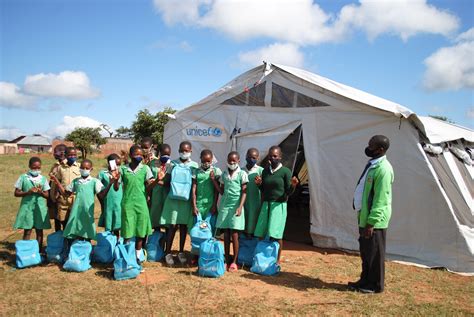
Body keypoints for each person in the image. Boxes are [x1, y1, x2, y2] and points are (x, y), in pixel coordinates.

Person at [348, 135, 394, 294]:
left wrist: (371, 222)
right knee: (366, 252)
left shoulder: (384, 169)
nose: (368, 148)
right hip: (364, 217)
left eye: (371, 146)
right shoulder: (373, 164)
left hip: (374, 221)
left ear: (380, 149)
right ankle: (365, 280)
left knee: (375, 254)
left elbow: (381, 199)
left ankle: (375, 285)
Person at [51, 159, 118, 241]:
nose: (84, 170)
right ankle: (75, 249)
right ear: (80, 168)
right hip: (77, 211)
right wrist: (57, 182)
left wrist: (110, 184)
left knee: (87, 231)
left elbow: (102, 195)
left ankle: (86, 249)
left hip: (88, 212)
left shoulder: (94, 181)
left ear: (91, 169)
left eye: (87, 168)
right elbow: (66, 193)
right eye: (83, 168)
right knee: (76, 230)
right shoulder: (76, 181)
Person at [254, 146, 299, 265]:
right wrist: (259, 185)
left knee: (276, 233)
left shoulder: (285, 172)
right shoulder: (265, 171)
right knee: (261, 231)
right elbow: (264, 190)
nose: (272, 158)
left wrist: (293, 185)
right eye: (270, 156)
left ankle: (277, 260)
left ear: (280, 157)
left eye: (275, 156)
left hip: (279, 205)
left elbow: (288, 192)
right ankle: (261, 257)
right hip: (266, 204)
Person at [160, 141, 198, 266]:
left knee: (183, 226)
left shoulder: (194, 165)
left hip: (186, 201)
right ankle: (168, 252)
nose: (184, 152)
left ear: (191, 151)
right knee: (172, 225)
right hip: (173, 200)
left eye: (186, 150)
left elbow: (194, 185)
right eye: (182, 150)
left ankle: (181, 252)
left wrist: (194, 203)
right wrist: (158, 179)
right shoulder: (173, 164)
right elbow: (167, 181)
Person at [211, 151, 247, 272]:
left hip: (236, 206)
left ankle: (234, 261)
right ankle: (226, 258)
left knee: (234, 234)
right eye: (230, 160)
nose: (232, 163)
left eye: (234, 161)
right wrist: (214, 181)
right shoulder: (224, 174)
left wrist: (240, 206)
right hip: (225, 206)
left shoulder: (242, 174)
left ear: (238, 161)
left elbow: (244, 192)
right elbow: (221, 191)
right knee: (225, 233)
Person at [120, 145, 154, 261]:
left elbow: (149, 188)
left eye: (141, 155)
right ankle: (126, 258)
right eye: (136, 154)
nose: (139, 156)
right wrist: (114, 181)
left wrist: (158, 180)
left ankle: (137, 258)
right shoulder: (123, 169)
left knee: (140, 232)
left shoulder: (145, 169)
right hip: (127, 204)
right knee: (127, 232)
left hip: (141, 204)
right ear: (130, 155)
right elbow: (116, 187)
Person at [190, 149, 222, 264]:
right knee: (197, 231)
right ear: (200, 159)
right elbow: (193, 189)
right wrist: (194, 206)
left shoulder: (216, 171)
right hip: (198, 205)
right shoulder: (196, 171)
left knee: (210, 231)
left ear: (212, 160)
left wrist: (214, 205)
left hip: (210, 205)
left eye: (208, 161)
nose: (206, 163)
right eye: (204, 160)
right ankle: (195, 254)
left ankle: (208, 254)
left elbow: (217, 190)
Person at [13, 157, 51, 251]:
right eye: (34, 168)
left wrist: (40, 192)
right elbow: (16, 193)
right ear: (29, 166)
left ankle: (38, 251)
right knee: (27, 229)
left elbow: (47, 195)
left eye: (38, 168)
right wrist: (28, 192)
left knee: (39, 230)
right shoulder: (23, 177)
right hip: (27, 207)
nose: (36, 170)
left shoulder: (43, 179)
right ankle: (25, 251)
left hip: (40, 207)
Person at [55, 147, 81, 230]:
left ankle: (74, 240)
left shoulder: (79, 167)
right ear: (65, 155)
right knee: (63, 220)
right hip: (64, 198)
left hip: (76, 197)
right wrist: (56, 195)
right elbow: (57, 181)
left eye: (74, 155)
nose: (72, 157)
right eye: (70, 155)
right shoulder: (60, 167)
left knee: (75, 220)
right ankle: (66, 239)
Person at [98, 154, 123, 237]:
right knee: (109, 222)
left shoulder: (120, 173)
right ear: (110, 163)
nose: (117, 166)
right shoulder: (102, 173)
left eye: (119, 164)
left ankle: (117, 242)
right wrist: (101, 202)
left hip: (118, 201)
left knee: (118, 223)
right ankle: (109, 241)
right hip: (108, 202)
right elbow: (98, 190)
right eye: (116, 164)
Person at [148, 144, 171, 231]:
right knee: (155, 221)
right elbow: (149, 181)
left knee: (167, 223)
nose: (166, 156)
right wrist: (149, 196)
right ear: (159, 153)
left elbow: (171, 182)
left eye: (168, 154)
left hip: (167, 196)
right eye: (164, 154)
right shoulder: (153, 164)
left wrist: (159, 182)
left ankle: (165, 243)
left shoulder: (171, 165)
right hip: (155, 196)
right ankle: (155, 242)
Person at [242, 148, 263, 236]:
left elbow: (264, 187)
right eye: (249, 157)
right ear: (246, 156)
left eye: (254, 158)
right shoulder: (241, 170)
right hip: (243, 201)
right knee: (243, 222)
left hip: (255, 202)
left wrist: (260, 183)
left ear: (258, 158)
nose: (251, 159)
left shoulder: (260, 170)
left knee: (253, 222)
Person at [48, 144, 67, 231]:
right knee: (56, 220)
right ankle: (58, 241)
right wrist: (49, 197)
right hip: (54, 198)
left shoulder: (67, 165)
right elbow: (51, 181)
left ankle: (66, 242)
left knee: (65, 221)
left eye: (55, 152)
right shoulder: (55, 165)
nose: (54, 154)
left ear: (62, 153)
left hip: (63, 199)